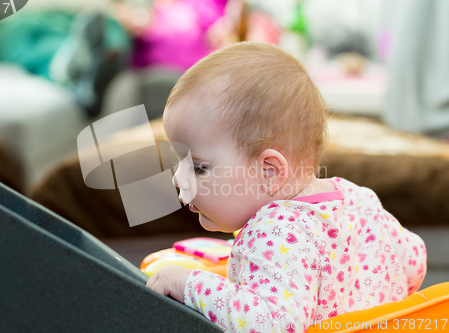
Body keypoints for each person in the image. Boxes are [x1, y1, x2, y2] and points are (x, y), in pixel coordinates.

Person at [145, 41, 427, 333]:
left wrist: (190, 284)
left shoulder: (272, 233)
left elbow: (270, 324)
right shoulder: (358, 199)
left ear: (269, 171)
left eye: (199, 166)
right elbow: (414, 260)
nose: (178, 178)